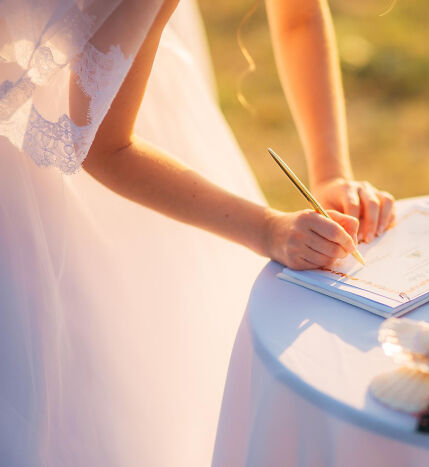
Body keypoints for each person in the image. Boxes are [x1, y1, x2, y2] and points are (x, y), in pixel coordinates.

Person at [0, 0, 394, 465]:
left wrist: (329, 173)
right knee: (83, 387)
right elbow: (102, 147)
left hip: (128, 68)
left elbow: (298, 16)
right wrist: (267, 229)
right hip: (40, 148)